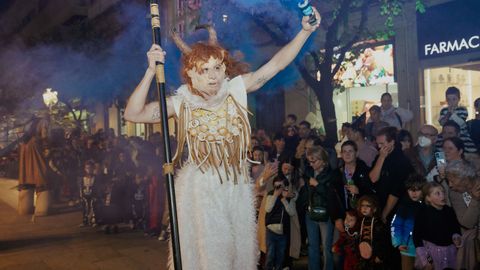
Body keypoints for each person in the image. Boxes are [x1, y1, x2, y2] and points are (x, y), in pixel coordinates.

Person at [124, 9, 321, 269]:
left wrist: (305, 31)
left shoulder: (235, 89)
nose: (213, 75)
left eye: (217, 67)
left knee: (239, 257)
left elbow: (276, 65)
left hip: (236, 184)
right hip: (202, 187)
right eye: (204, 70)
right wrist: (151, 71)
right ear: (191, 74)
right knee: (209, 257)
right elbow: (133, 113)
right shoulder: (182, 102)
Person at [412, 182, 462, 270]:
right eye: (437, 193)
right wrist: (425, 261)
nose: (442, 196)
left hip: (450, 252)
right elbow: (417, 236)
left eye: (443, 192)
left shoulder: (449, 210)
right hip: (432, 254)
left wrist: (456, 236)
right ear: (428, 198)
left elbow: (455, 228)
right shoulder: (423, 213)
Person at [369, 127, 414, 223]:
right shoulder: (379, 157)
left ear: (392, 142)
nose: (379, 147)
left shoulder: (402, 161)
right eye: (377, 144)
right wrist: (381, 158)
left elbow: (396, 191)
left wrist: (385, 213)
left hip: (398, 208)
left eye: (382, 144)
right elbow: (373, 178)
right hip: (380, 202)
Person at [303, 145, 337, 270]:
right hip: (310, 211)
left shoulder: (332, 173)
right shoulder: (308, 172)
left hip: (326, 213)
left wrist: (317, 185)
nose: (311, 164)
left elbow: (331, 195)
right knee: (312, 246)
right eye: (309, 161)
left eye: (314, 161)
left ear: (323, 160)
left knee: (327, 246)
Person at [445, 160, 480, 269]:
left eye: (452, 180)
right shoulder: (455, 193)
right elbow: (467, 223)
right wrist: (475, 199)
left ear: (465, 179)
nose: (450, 185)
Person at [391, 174, 424, 270]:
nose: (414, 193)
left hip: (425, 249)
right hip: (407, 248)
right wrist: (397, 243)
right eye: (410, 189)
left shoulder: (427, 206)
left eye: (417, 189)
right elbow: (396, 225)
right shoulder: (404, 207)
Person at [264, 177, 296, 270]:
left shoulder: (289, 197)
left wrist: (285, 200)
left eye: (280, 186)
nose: (278, 189)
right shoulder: (270, 194)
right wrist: (275, 195)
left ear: (285, 186)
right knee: (270, 255)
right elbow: (268, 209)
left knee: (280, 256)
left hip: (283, 232)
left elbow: (292, 212)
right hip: (271, 230)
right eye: (276, 186)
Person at [356, 195, 390, 270]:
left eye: (368, 206)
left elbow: (384, 241)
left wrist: (380, 256)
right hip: (363, 256)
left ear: (374, 209)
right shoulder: (360, 222)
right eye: (362, 205)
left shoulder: (378, 224)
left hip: (375, 257)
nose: (364, 208)